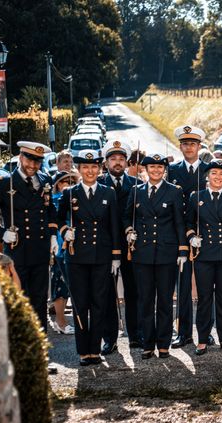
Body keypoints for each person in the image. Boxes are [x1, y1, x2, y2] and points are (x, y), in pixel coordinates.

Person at [57, 150, 121, 366]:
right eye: (85, 167)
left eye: (94, 167)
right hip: (76, 257)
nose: (90, 171)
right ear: (79, 169)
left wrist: (115, 255)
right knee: (80, 303)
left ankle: (95, 349)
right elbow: (58, 219)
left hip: (101, 256)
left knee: (99, 303)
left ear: (100, 169)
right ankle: (83, 351)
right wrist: (65, 231)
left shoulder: (108, 193)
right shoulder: (70, 193)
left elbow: (114, 225)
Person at [0, 141, 58, 331]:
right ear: (20, 157)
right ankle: (21, 344)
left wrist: (52, 235)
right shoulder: (4, 183)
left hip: (40, 250)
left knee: (40, 299)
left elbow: (51, 211)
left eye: (37, 162)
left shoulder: (45, 181)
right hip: (17, 251)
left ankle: (40, 345)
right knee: (19, 298)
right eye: (29, 160)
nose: (32, 166)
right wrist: (1, 233)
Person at [125, 153, 189, 359]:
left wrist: (182, 249)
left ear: (165, 170)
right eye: (151, 167)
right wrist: (128, 230)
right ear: (145, 169)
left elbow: (180, 221)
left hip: (166, 253)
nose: (156, 171)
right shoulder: (136, 191)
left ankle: (163, 343)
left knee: (164, 300)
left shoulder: (174, 191)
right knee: (144, 300)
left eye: (160, 168)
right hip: (142, 253)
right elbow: (127, 216)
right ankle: (147, 343)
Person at [186, 161, 222, 355]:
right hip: (204, 255)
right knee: (204, 298)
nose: (218, 177)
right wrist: (191, 236)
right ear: (207, 176)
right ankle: (202, 339)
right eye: (214, 173)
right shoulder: (197, 197)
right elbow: (188, 223)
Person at [167, 125, 211, 348]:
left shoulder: (209, 169)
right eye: (185, 144)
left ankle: (207, 332)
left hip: (206, 232)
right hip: (179, 234)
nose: (189, 147)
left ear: (199, 146)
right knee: (182, 286)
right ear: (180, 146)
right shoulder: (172, 170)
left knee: (206, 286)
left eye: (192, 144)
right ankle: (183, 333)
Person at [99, 139, 141, 351]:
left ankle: (135, 334)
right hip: (105, 247)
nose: (117, 162)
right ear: (106, 163)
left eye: (121, 159)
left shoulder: (136, 185)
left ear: (127, 163)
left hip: (130, 247)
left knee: (134, 291)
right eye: (113, 159)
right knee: (107, 293)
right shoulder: (97, 184)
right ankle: (110, 338)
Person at [50, 170, 80, 335]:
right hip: (59, 245)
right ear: (57, 185)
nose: (68, 185)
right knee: (59, 284)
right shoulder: (55, 201)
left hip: (75, 245)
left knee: (71, 285)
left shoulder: (76, 198)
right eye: (64, 182)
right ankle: (60, 321)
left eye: (71, 181)